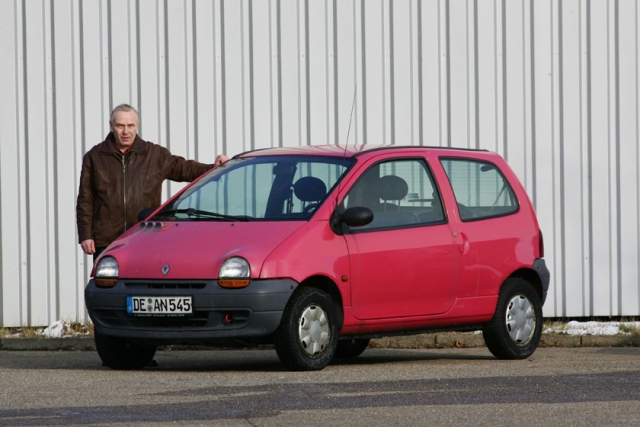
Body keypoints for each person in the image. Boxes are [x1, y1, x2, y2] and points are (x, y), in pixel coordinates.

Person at [76, 104, 228, 262]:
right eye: (120, 126)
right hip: (107, 241)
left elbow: (185, 169)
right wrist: (86, 235)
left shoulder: (155, 155)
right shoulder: (94, 157)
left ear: (137, 125)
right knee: (108, 286)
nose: (126, 131)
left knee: (143, 285)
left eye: (130, 125)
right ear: (111, 125)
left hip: (145, 237)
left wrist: (214, 167)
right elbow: (85, 199)